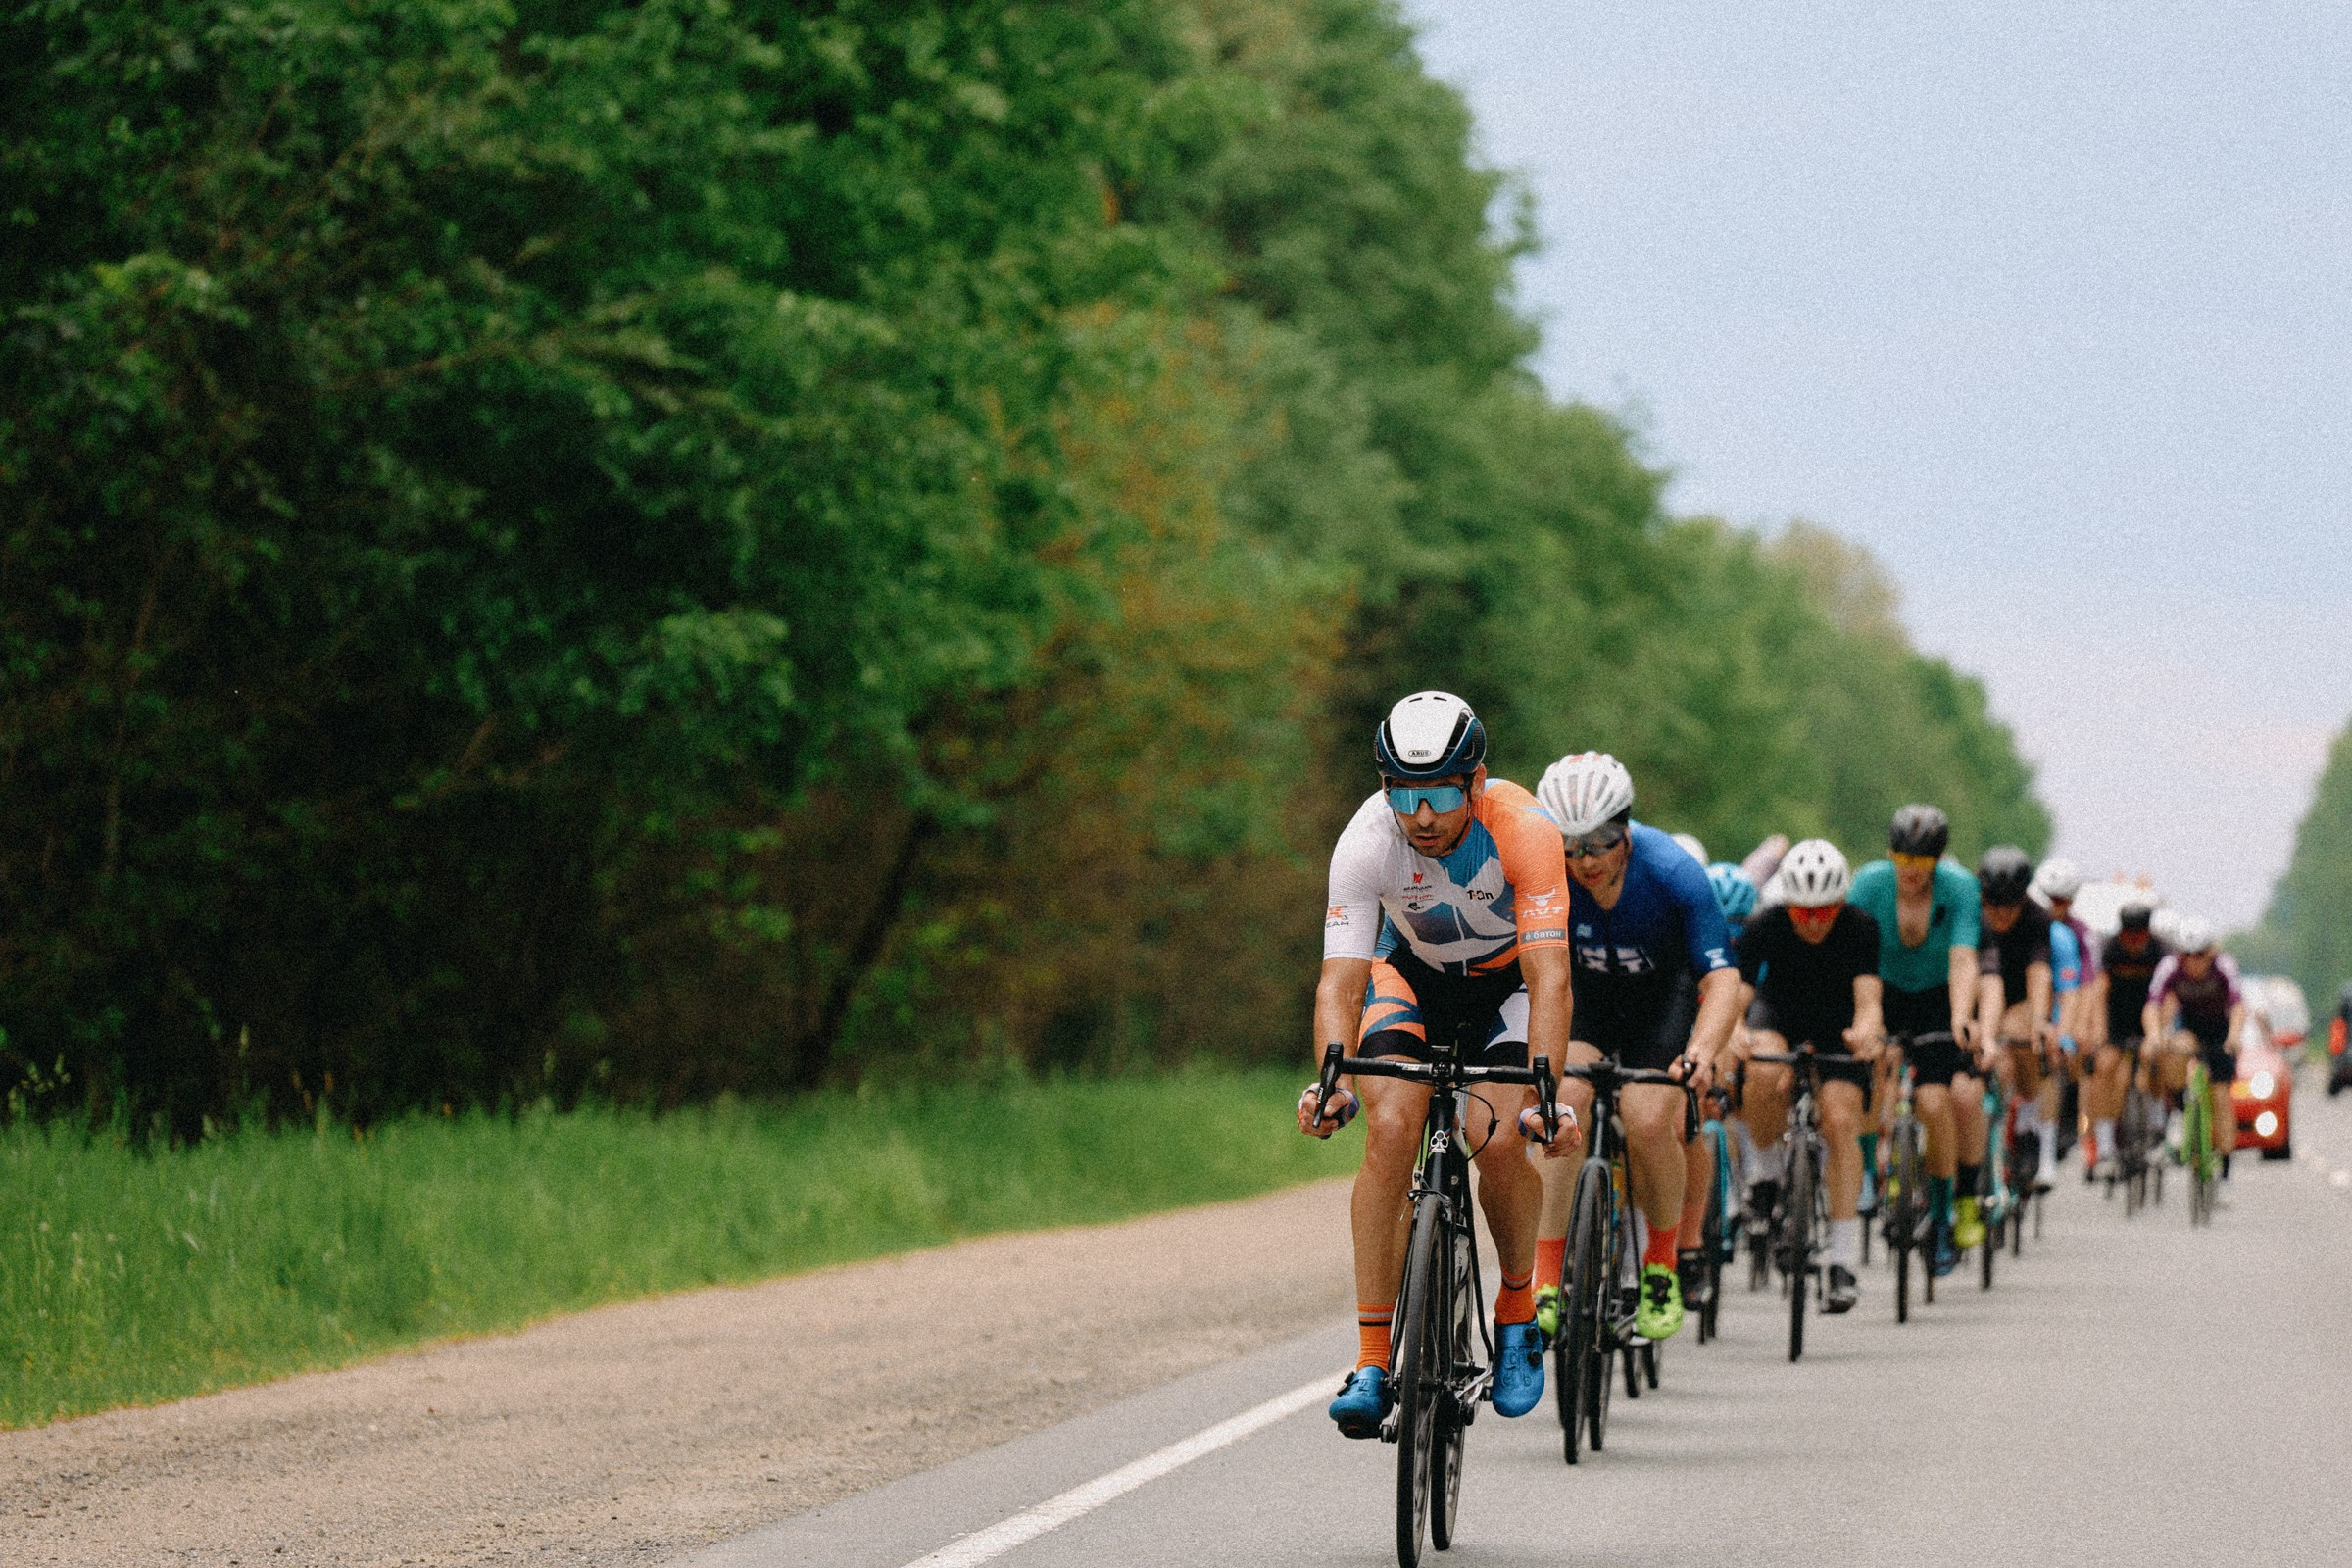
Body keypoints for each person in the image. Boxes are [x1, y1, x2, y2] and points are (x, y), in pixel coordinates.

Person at [1300, 691, 1571, 1436]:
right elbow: (1341, 981)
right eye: (1405, 795)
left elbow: (1550, 978)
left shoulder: (1525, 831)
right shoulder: (1365, 840)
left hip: (1506, 988)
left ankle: (1517, 1310)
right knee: (1390, 1129)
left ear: (1476, 781)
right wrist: (1330, 1081)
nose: (1422, 815)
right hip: (1411, 977)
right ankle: (1370, 1361)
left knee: (1498, 1137)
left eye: (1442, 793)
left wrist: (1545, 1092)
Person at [1528, 753, 1742, 1344]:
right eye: (1568, 844)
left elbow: (1722, 980)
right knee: (1560, 1103)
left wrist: (1701, 1049)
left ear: (1626, 828)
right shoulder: (1543, 868)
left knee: (1649, 1120)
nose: (1583, 860)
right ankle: (1546, 1275)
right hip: (1585, 1004)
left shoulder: (1673, 870)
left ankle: (1661, 1266)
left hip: (1661, 1005)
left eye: (1598, 842)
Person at [1730, 840, 1884, 1312]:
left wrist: (1868, 1029)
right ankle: (1768, 1174)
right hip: (1780, 1016)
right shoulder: (1765, 925)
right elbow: (1738, 992)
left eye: (1825, 912)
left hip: (1838, 1027)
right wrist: (1734, 1028)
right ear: (1787, 905)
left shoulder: (1860, 927)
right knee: (1760, 1066)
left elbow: (1869, 999)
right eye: (1803, 913)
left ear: (1842, 903)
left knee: (1840, 1123)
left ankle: (1840, 1259)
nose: (1814, 922)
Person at [1846, 805, 1983, 1277]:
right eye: (1902, 860)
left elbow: (1965, 960)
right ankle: (1866, 1170)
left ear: (1938, 862)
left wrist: (1963, 1016)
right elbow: (1851, 956)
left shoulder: (1961, 889)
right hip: (1879, 989)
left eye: (1922, 864)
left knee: (1933, 1100)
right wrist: (1867, 1018)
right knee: (1869, 1070)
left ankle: (1942, 1213)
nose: (1910, 873)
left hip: (1936, 998)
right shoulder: (1868, 884)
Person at [1974, 847, 2057, 1215]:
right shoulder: (1970, 913)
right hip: (1978, 993)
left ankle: (2026, 1127)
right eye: (1994, 904)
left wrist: (2040, 1019)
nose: (2002, 914)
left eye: (2012, 905)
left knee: (2019, 1036)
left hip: (2018, 996)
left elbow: (2038, 973)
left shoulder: (2038, 918)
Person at [2143, 916, 2243, 1186]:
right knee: (2176, 1048)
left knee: (2221, 1096)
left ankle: (2224, 1163)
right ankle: (2177, 1112)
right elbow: (2153, 1004)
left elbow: (2237, 1006)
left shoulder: (2224, 966)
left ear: (2210, 952)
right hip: (2191, 1029)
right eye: (2188, 955)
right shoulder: (2170, 967)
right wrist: (2154, 1035)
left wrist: (2234, 1035)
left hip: (2221, 1032)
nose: (2194, 962)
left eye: (2200, 955)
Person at [2083, 899, 2169, 1175]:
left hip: (2149, 1020)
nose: (2133, 941)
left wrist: (2159, 1032)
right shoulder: (2110, 948)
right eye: (2128, 935)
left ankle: (2156, 1127)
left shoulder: (2160, 951)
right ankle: (2106, 1147)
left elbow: (2167, 998)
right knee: (2105, 1069)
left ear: (2148, 932)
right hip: (2116, 1021)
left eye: (2139, 935)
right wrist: (2098, 1031)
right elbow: (2099, 991)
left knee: (2155, 1062)